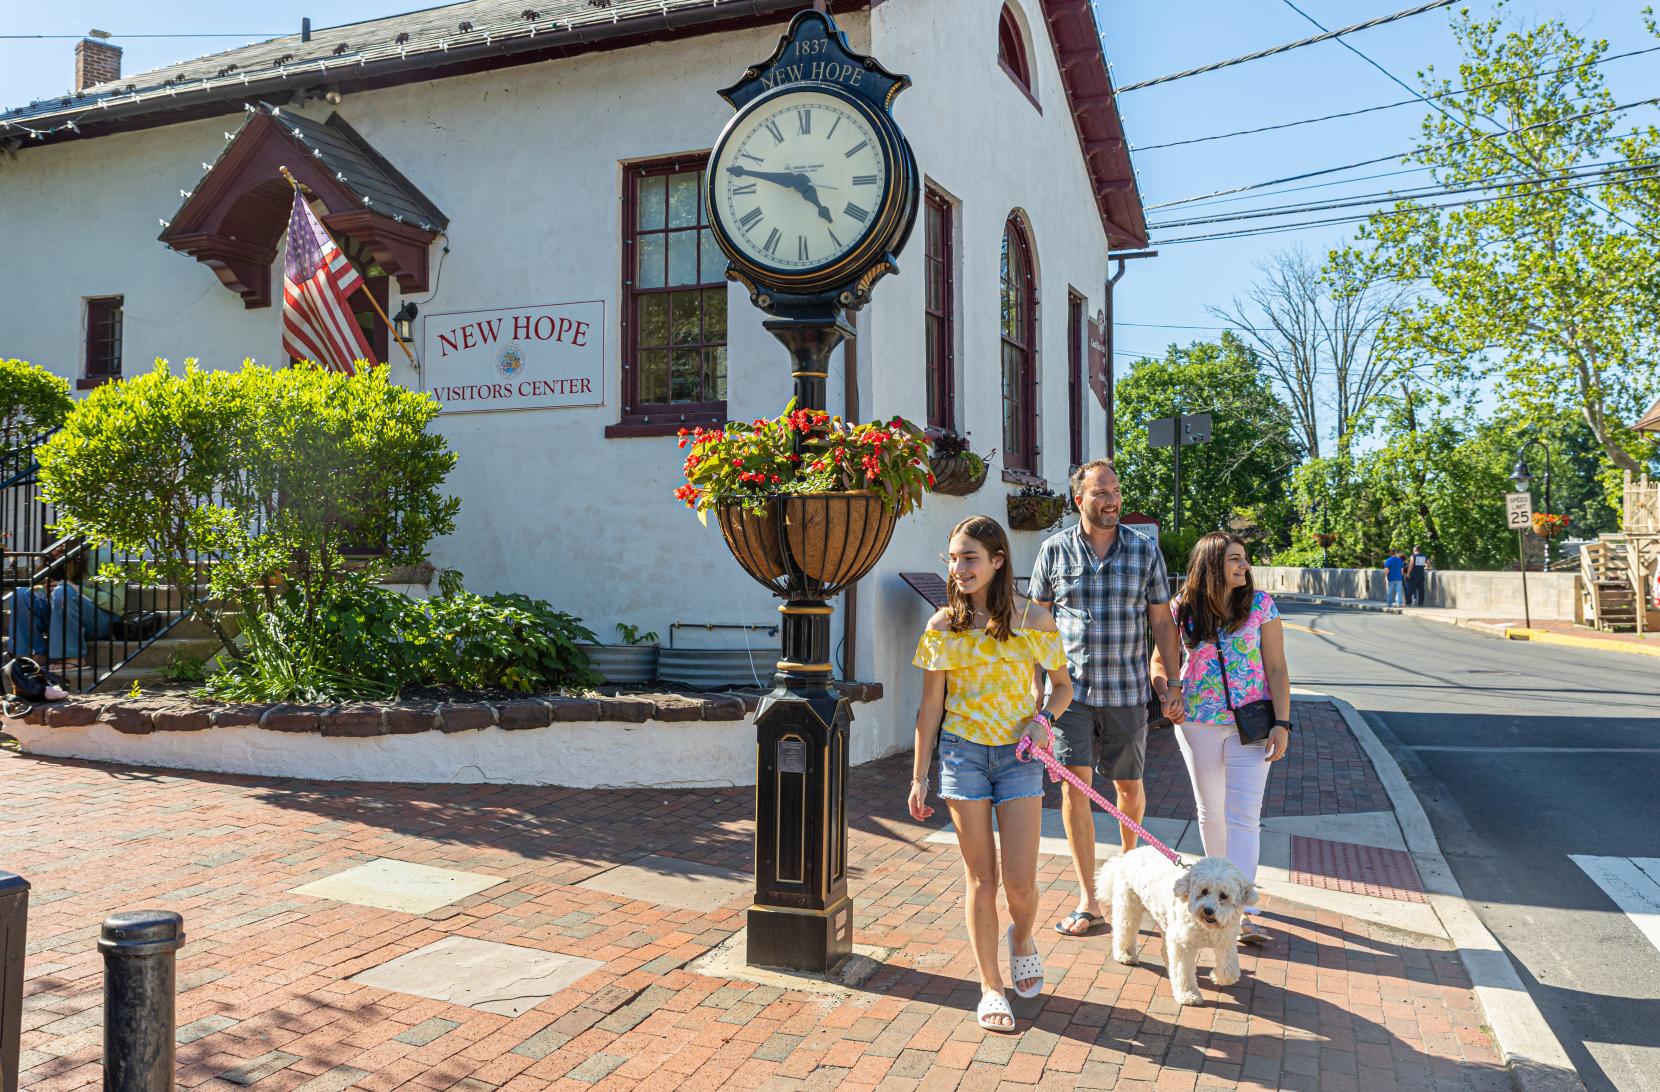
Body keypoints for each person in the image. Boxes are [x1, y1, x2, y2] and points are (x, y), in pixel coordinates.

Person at [910, 515, 1072, 1033]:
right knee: (983, 878)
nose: (959, 568)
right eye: (953, 558)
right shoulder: (942, 627)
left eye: (970, 558)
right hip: (962, 757)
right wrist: (918, 776)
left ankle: (1022, 936)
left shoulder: (1034, 620)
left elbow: (1062, 687)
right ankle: (989, 985)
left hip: (1019, 757)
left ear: (998, 560)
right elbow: (929, 709)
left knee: (1021, 884)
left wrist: (1044, 721)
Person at [1030, 459, 1184, 939]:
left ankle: (1132, 887)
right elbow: (1037, 622)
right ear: (1079, 499)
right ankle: (1088, 899)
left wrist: (1171, 682)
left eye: (1115, 490)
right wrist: (1035, 683)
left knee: (1128, 791)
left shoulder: (1143, 552)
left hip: (1126, 692)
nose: (1112, 499)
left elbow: (1162, 622)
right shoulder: (1053, 551)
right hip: (1068, 694)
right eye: (1101, 492)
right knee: (1074, 789)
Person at [1151, 532, 1292, 945]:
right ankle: (1216, 896)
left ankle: (1243, 911)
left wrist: (1283, 723)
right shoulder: (1183, 609)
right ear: (1212, 564)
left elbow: (1278, 668)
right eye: (1234, 559)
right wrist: (1166, 692)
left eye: (1244, 559)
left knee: (1245, 815)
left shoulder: (1261, 606)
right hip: (1197, 722)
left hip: (1252, 723)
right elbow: (1160, 659)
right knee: (1211, 811)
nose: (1243, 566)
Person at [8, 543, 123, 665]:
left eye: (60, 548)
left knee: (63, 592)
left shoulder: (102, 556)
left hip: (102, 621)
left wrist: (76, 589)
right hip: (60, 618)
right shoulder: (52, 558)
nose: (56, 552)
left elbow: (116, 604)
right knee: (21, 594)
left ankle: (73, 657)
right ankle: (32, 655)